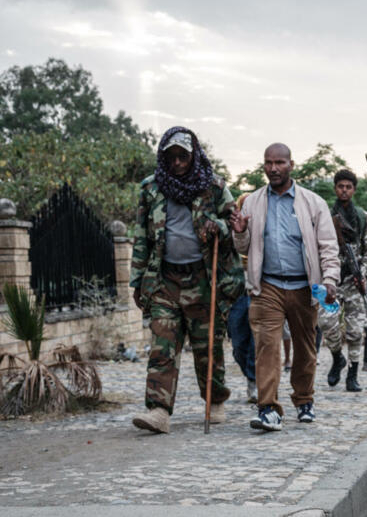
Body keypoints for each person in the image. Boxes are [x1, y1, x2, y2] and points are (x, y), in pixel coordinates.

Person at [130, 126, 245, 434]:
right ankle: (158, 410)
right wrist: (137, 280)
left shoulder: (214, 186)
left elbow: (234, 224)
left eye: (183, 157)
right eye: (172, 157)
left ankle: (215, 400)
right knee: (162, 345)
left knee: (207, 346)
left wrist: (218, 225)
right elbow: (141, 236)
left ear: (194, 156)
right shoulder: (150, 188)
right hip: (164, 279)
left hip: (203, 279)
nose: (177, 163)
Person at [231, 143, 340, 431]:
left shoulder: (313, 203)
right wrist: (239, 232)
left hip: (305, 288)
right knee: (266, 346)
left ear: (291, 164)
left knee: (305, 350)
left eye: (279, 162)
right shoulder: (252, 202)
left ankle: (304, 399)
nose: (273, 168)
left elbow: (328, 247)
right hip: (267, 287)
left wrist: (329, 280)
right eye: (268, 163)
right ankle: (268, 409)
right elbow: (243, 247)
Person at [321, 169, 367, 392]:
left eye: (348, 187)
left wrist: (363, 272)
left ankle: (353, 374)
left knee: (356, 330)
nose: (344, 190)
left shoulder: (363, 217)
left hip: (355, 282)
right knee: (326, 322)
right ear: (335, 188)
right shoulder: (326, 216)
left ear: (354, 190)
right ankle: (337, 358)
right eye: (340, 186)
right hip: (332, 279)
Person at [227, 195, 258, 403]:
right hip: (236, 290)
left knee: (257, 339)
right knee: (238, 342)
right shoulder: (230, 229)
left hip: (258, 288)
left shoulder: (259, 228)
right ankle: (249, 374)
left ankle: (255, 381)